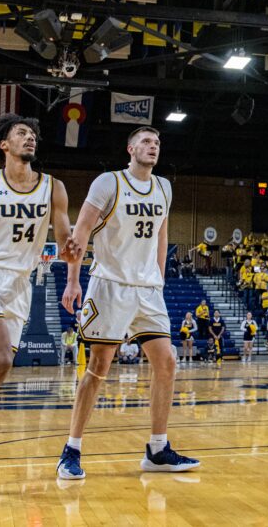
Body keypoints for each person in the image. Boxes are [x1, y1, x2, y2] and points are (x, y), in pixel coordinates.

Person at [57, 126, 198, 479]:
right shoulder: (108, 182)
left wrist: (160, 279)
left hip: (147, 289)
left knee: (166, 362)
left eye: (157, 143)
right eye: (147, 142)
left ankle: (157, 448)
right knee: (98, 369)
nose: (154, 147)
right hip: (110, 285)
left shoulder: (164, 187)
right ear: (131, 148)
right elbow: (81, 231)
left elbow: (162, 235)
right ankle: (70, 450)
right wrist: (73, 279)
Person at [0, 114, 78, 420]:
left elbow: (63, 242)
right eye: (22, 133)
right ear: (4, 145)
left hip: (20, 285)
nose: (30, 137)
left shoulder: (53, 188)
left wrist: (70, 251)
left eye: (32, 134)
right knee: (0, 361)